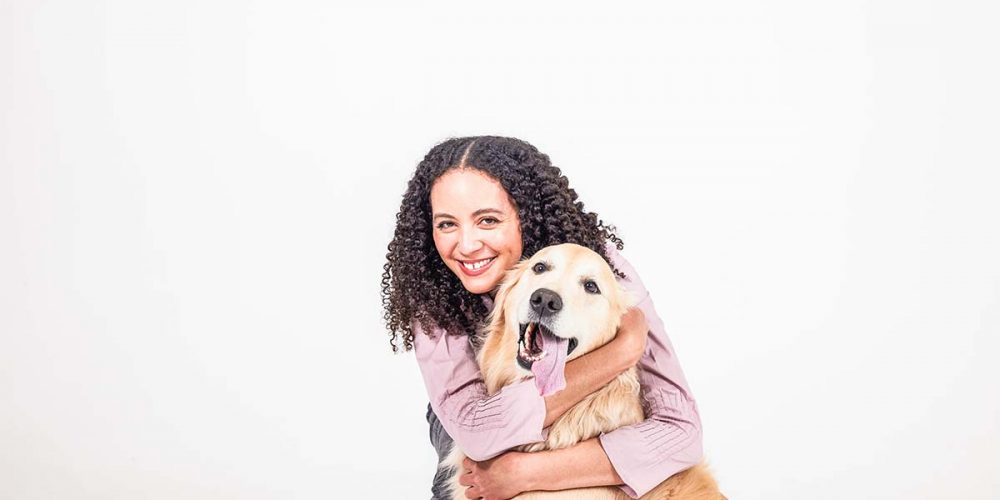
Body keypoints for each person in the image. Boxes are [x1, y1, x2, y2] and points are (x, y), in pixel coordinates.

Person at [381, 136, 703, 499]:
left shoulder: (604, 269)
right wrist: (622, 350)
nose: (467, 245)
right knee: (450, 429)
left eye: (488, 220)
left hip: (595, 420)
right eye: (446, 224)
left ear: (527, 213)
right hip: (479, 419)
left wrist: (526, 473)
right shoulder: (431, 289)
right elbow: (476, 430)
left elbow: (681, 432)